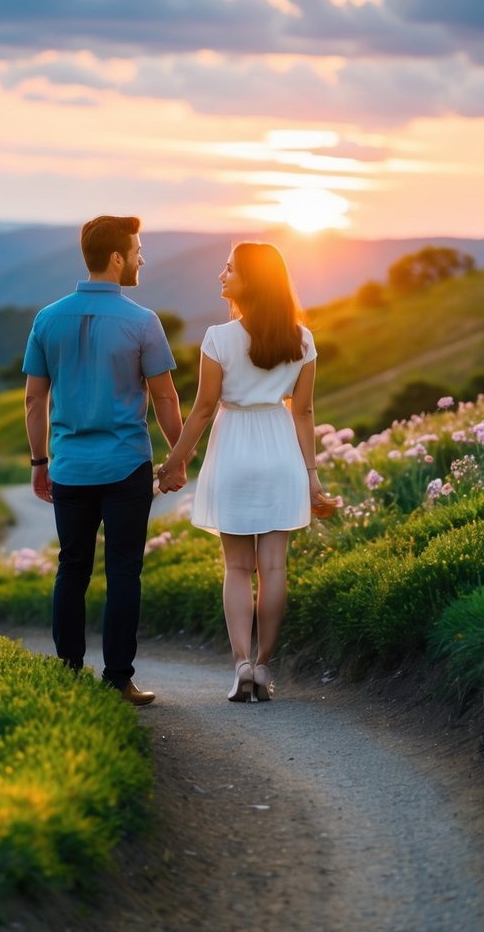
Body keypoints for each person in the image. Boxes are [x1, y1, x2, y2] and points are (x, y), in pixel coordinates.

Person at [157, 241, 339, 703]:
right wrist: (313, 476)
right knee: (274, 567)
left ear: (250, 281)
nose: (221, 275)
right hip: (281, 451)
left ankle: (239, 664)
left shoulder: (218, 338)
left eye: (229, 269)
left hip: (234, 449)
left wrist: (175, 461)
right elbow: (304, 412)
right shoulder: (302, 340)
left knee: (237, 566)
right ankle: (262, 666)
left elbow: (200, 411)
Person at [23, 215, 186, 705]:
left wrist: (39, 461)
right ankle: (118, 679)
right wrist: (178, 458)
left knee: (71, 568)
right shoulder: (142, 321)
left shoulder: (47, 318)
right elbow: (164, 398)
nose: (141, 258)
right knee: (123, 572)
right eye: (137, 250)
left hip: (70, 465)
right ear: (117, 258)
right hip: (125, 465)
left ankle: (68, 676)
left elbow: (35, 400)